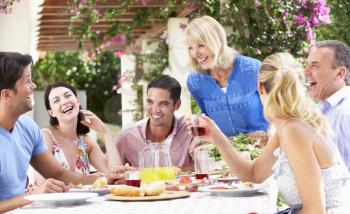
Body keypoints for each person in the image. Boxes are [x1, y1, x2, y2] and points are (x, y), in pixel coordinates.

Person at [187, 52, 350, 213]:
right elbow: (253, 174)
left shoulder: (294, 130)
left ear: (260, 87)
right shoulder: (288, 127)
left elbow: (315, 210)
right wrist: (216, 137)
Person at [0, 52, 129, 213]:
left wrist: (105, 179)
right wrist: (33, 195)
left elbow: (59, 174)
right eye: (27, 81)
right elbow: (40, 186)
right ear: (6, 94)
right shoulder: (46, 134)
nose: (34, 86)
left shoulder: (27, 128)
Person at [185, 15, 268, 138]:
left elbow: (277, 110)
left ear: (217, 41)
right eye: (190, 48)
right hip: (225, 153)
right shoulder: (195, 81)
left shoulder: (253, 69)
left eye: (201, 46)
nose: (195, 53)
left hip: (262, 148)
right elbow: (206, 119)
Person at [30, 82, 121, 186]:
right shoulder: (46, 136)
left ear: (77, 101)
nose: (64, 102)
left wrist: (105, 132)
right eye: (56, 100)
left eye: (67, 95)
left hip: (81, 202)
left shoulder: (86, 142)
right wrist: (91, 179)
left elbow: (115, 174)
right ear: (51, 113)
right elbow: (42, 182)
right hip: (49, 202)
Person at [108, 75, 194, 170]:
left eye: (163, 103)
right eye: (150, 102)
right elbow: (112, 174)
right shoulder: (127, 136)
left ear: (177, 105)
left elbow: (205, 165)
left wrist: (180, 170)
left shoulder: (190, 129)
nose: (155, 110)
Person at [305, 40, 350, 171]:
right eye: (307, 65)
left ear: (340, 73)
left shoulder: (345, 112)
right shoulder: (323, 109)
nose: (306, 71)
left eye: (314, 66)